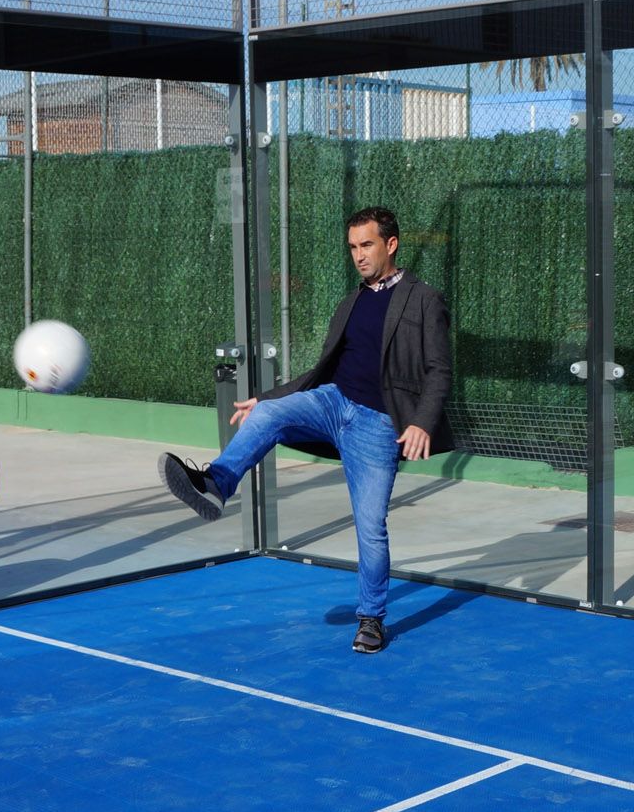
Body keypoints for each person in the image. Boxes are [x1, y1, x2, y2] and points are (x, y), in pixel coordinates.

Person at [159, 206, 451, 653]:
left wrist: (420, 422)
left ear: (391, 245)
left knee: (371, 526)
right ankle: (217, 483)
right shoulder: (351, 302)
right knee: (267, 416)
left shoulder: (423, 299)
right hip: (333, 401)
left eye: (367, 245)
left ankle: (371, 618)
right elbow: (323, 368)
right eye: (353, 247)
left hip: (378, 424)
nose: (358, 255)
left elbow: (438, 370)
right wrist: (270, 399)